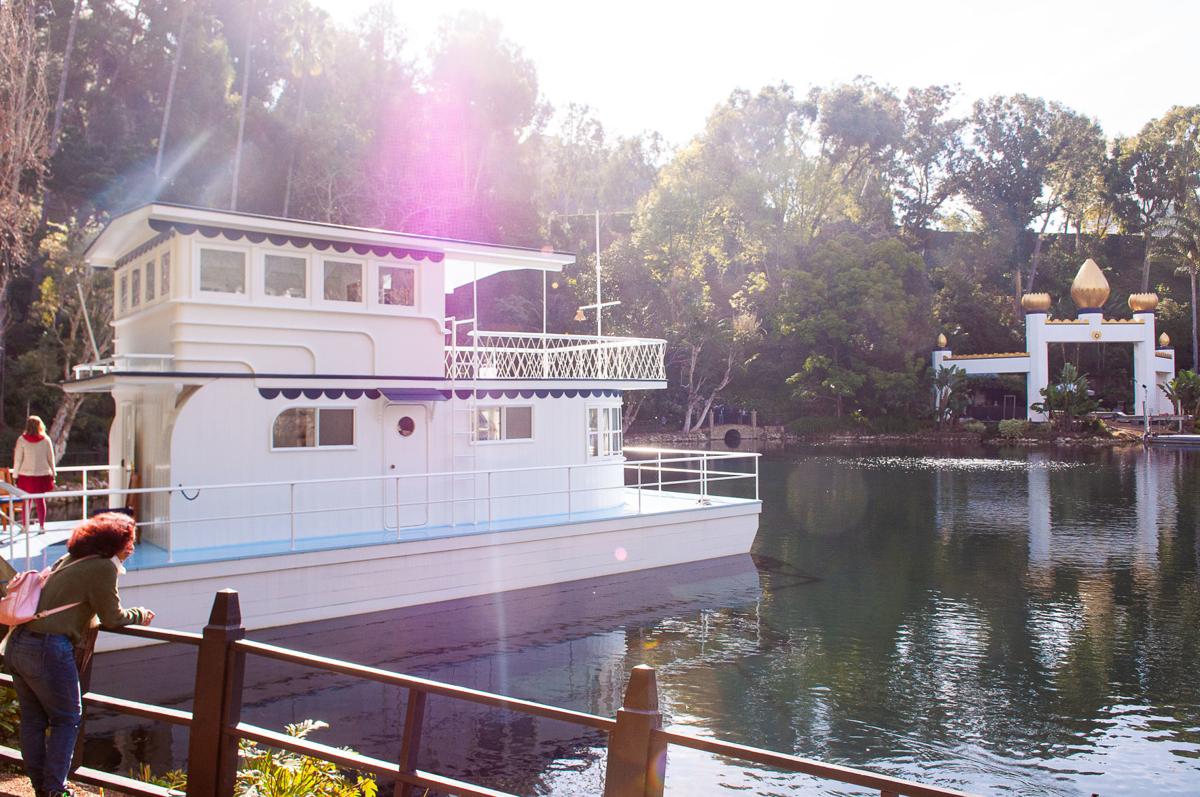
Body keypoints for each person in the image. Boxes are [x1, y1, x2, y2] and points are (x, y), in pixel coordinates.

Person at [3, 513, 153, 797]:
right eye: (129, 542)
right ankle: (54, 789)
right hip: (47, 649)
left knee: (34, 720)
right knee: (67, 718)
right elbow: (112, 617)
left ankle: (42, 787)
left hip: (19, 642)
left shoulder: (70, 559)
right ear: (114, 544)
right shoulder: (102, 568)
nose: (131, 548)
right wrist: (140, 614)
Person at [13, 416, 56, 532]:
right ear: (40, 425)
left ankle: (25, 527)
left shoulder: (21, 439)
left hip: (26, 475)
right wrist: (54, 473)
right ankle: (42, 526)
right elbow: (50, 458)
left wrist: (15, 475)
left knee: (26, 501)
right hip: (42, 475)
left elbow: (18, 459)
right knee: (40, 501)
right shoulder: (46, 439)